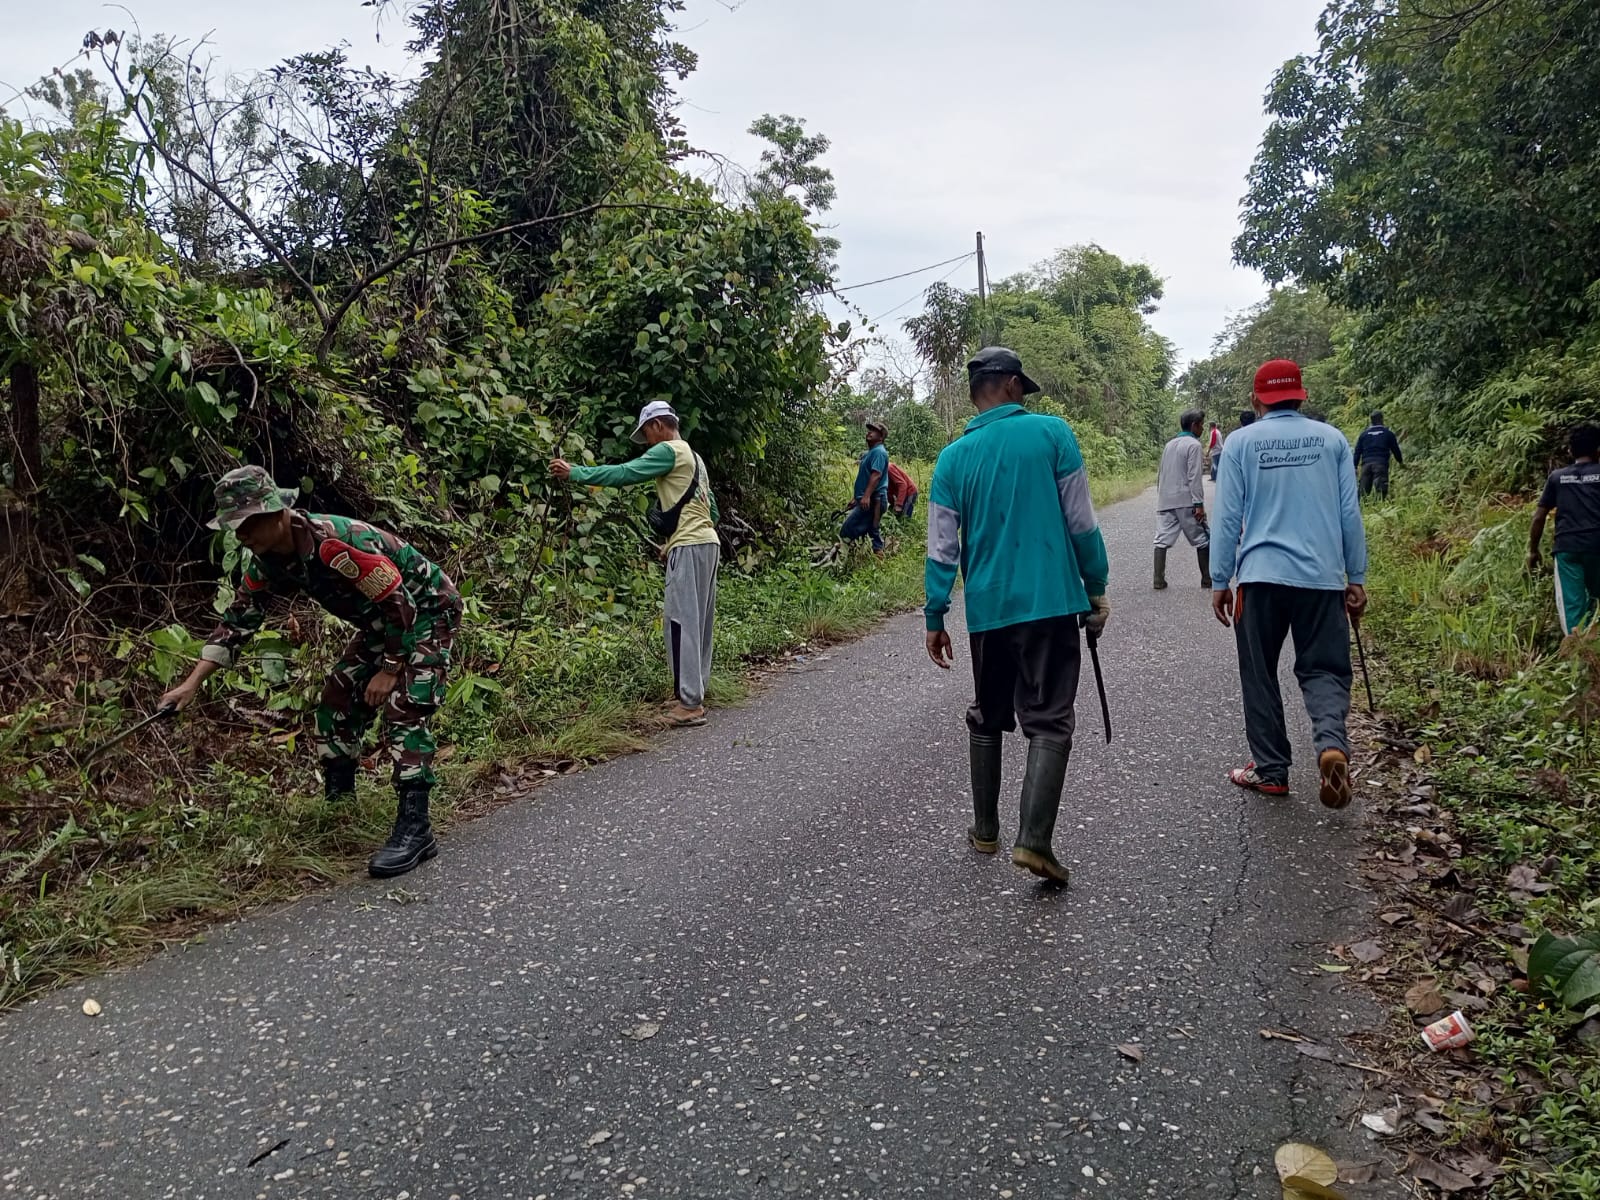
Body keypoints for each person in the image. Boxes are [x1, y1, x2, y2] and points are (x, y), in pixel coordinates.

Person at [159, 466, 463, 878]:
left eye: (246, 524)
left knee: (403, 709)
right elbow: (238, 620)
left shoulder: (334, 545)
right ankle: (341, 809)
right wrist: (191, 684)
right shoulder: (269, 559)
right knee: (336, 702)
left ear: (276, 514)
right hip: (382, 623)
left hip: (426, 613)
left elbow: (401, 603)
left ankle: (416, 828)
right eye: (235, 526)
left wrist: (391, 669)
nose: (240, 536)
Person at [924, 347, 1111, 885]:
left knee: (989, 711)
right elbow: (1081, 523)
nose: (1024, 396)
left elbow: (942, 549)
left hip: (987, 610)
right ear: (1007, 385)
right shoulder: (1052, 435)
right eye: (1021, 388)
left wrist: (936, 614)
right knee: (1048, 717)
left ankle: (985, 830)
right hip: (1051, 602)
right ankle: (1034, 841)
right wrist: (1095, 586)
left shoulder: (952, 459)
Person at [1210, 360, 1367, 810]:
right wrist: (1354, 576)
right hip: (1321, 579)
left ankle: (1273, 771)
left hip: (1260, 580)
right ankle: (1331, 744)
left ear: (1256, 401)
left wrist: (1221, 579)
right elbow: (1348, 514)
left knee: (1259, 673)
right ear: (1303, 396)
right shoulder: (1332, 439)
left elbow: (1228, 518)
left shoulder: (1240, 443)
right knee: (1324, 668)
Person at [552, 400, 720, 728]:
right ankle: (693, 691)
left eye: (646, 433)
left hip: (690, 546)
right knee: (699, 624)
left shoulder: (668, 450)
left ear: (658, 424)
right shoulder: (695, 458)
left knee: (680, 623)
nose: (648, 441)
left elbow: (625, 473)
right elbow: (710, 510)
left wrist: (576, 473)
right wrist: (674, 542)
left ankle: (690, 704)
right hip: (707, 544)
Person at [1527, 424, 1600, 635]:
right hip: (1597, 545)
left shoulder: (1557, 477)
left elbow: (1539, 516)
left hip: (1567, 549)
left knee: (1572, 606)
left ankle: (1578, 653)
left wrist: (1533, 550)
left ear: (1570, 451)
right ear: (1598, 450)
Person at [1153, 409, 1211, 590]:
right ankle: (1206, 579)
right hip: (1186, 500)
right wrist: (1198, 504)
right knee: (1202, 539)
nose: (1202, 428)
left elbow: (1161, 473)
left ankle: (1158, 580)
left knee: (1161, 539)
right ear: (1194, 425)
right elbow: (1194, 476)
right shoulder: (1193, 445)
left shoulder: (1169, 445)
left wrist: (1160, 496)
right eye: (1201, 425)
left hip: (1166, 499)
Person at [842, 419, 890, 552]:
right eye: (870, 430)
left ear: (881, 437)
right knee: (871, 531)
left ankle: (843, 558)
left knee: (848, 528)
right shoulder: (870, 453)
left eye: (874, 431)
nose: (869, 432)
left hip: (875, 500)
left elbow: (876, 476)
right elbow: (865, 478)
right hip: (870, 499)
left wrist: (866, 496)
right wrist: (856, 498)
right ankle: (875, 558)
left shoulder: (879, 452)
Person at [1352, 411, 1404, 499]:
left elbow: (1357, 452)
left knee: (1363, 492)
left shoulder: (1364, 435)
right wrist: (1400, 462)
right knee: (1381, 491)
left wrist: (1355, 466)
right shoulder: (1388, 434)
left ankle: (1363, 509)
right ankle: (1380, 509)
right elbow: (1395, 450)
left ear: (1371, 421)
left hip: (1366, 465)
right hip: (1380, 464)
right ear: (1381, 419)